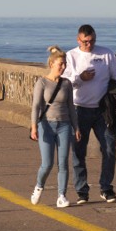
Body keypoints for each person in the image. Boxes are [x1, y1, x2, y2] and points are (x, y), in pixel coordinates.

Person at [63, 24, 116, 204]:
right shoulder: (71, 56)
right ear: (78, 40)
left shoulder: (105, 54)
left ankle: (106, 187)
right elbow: (66, 83)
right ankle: (82, 190)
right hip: (78, 109)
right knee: (78, 151)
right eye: (85, 42)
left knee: (109, 147)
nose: (89, 45)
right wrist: (81, 78)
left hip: (102, 110)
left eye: (92, 41)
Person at [30, 46, 81, 209]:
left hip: (64, 125)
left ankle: (62, 196)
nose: (63, 67)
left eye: (65, 64)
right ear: (52, 64)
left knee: (63, 163)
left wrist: (76, 127)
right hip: (46, 125)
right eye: (60, 64)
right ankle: (39, 186)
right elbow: (36, 106)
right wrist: (33, 127)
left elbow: (71, 107)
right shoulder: (42, 82)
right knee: (47, 164)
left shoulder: (66, 84)